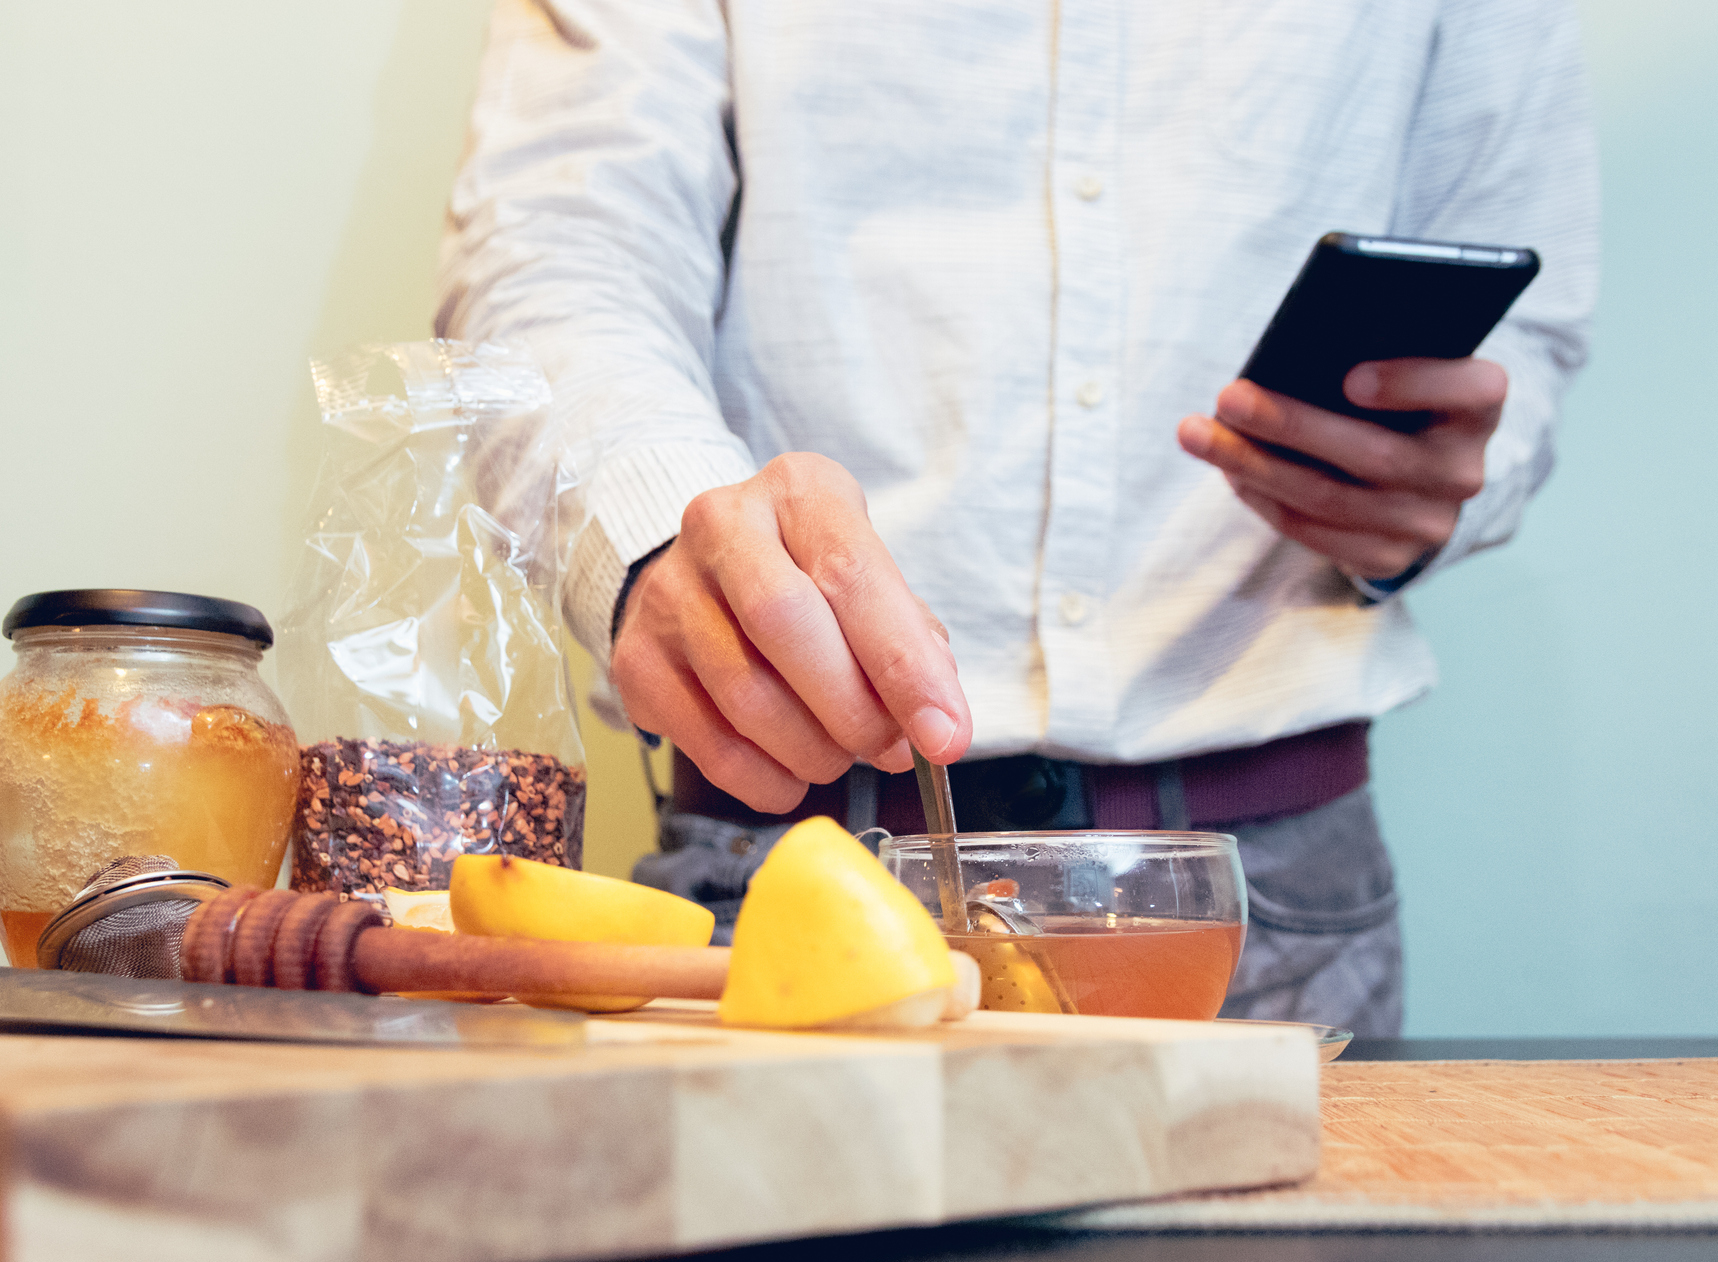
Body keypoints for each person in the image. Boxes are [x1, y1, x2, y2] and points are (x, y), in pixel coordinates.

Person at [435, 0, 1599, 1036]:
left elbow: (1522, 327)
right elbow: (560, 239)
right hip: (793, 868)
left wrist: (1437, 485)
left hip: (1268, 899)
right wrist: (654, 533)